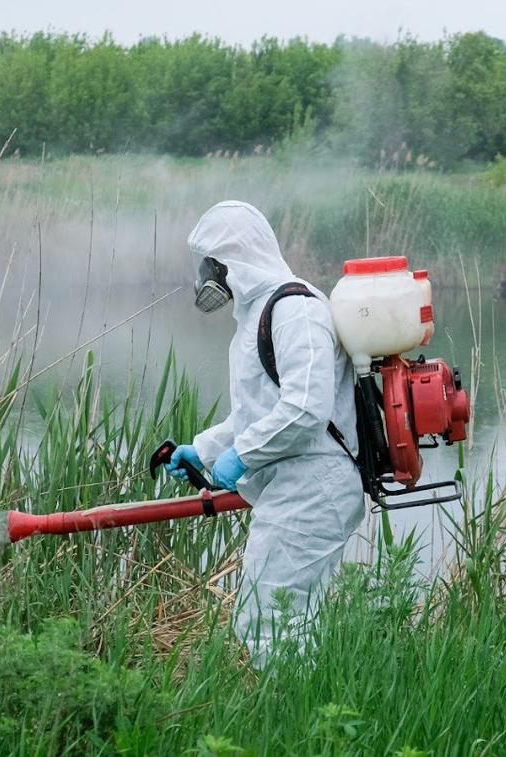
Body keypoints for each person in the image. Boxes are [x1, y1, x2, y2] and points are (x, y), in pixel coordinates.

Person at [167, 200, 364, 667]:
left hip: (316, 486)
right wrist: (205, 449)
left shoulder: (294, 309)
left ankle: (286, 723)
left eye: (211, 262)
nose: (205, 274)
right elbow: (257, 414)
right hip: (297, 485)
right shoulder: (259, 313)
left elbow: (305, 410)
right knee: (284, 619)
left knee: (267, 620)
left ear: (233, 259)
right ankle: (309, 717)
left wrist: (242, 456)